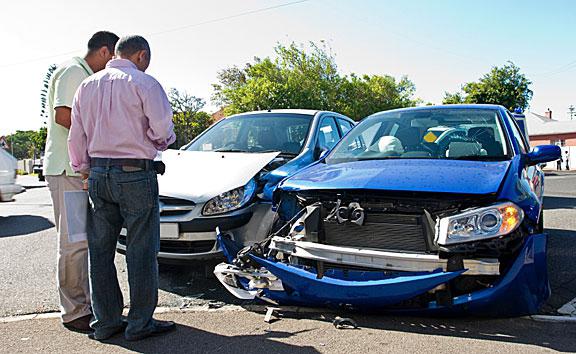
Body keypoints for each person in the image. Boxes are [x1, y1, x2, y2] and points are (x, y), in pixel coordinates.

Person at [68, 35, 176, 341]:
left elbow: (76, 136)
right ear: (141, 56)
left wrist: (84, 170)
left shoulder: (87, 86)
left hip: (99, 175)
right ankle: (140, 324)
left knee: (100, 252)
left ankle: (106, 323)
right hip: (135, 175)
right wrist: (162, 141)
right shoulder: (144, 83)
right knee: (141, 251)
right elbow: (162, 130)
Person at [43, 31, 119, 333]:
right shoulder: (74, 72)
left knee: (81, 242)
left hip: (78, 172)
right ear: (105, 52)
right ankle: (74, 312)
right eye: (115, 58)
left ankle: (85, 306)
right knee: (73, 243)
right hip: (67, 170)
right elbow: (64, 115)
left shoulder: (84, 74)